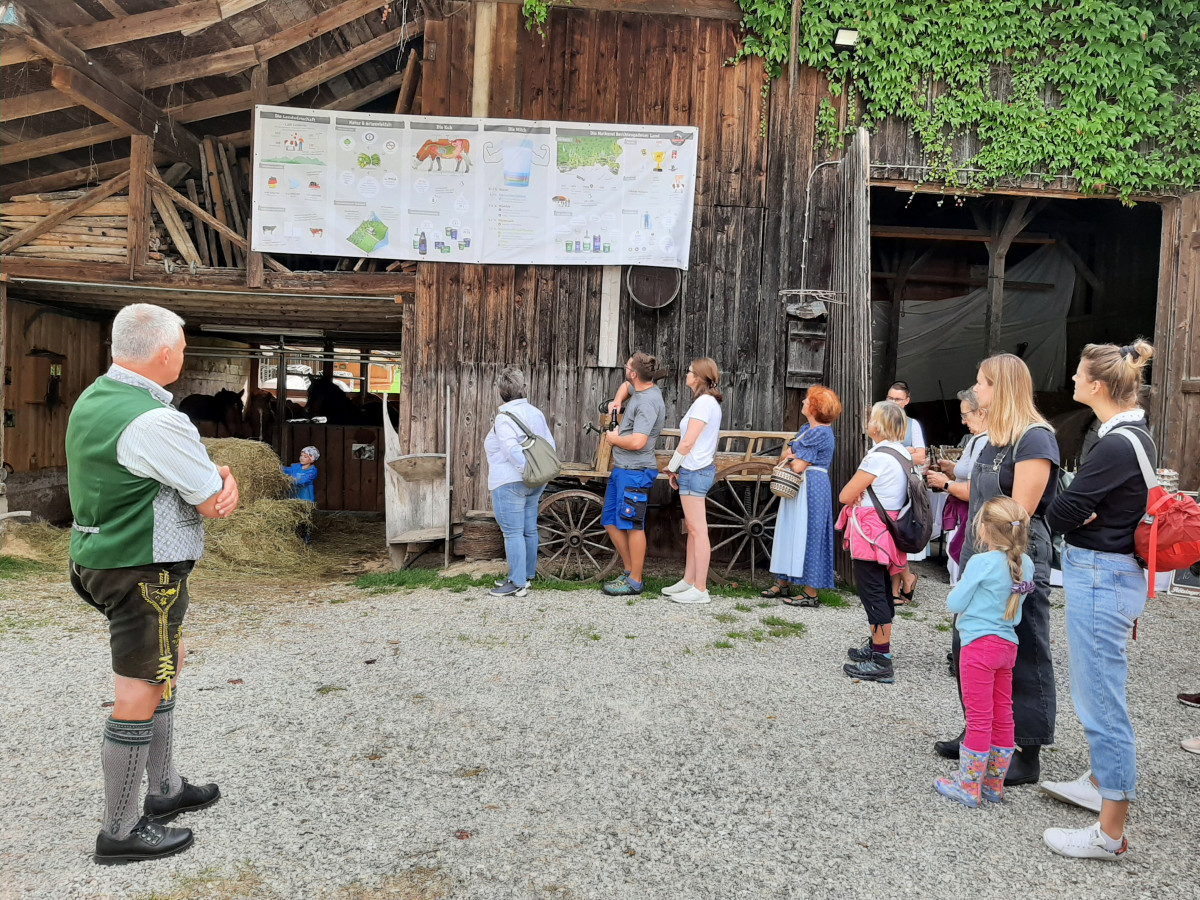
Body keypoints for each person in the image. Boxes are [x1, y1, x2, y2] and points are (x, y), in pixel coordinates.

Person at [66, 303, 239, 864]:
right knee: (139, 690)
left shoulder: (94, 399)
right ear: (164, 352)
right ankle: (119, 829)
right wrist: (224, 480)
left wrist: (207, 480)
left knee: (170, 660)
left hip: (98, 556)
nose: (184, 356)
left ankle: (164, 790)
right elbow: (213, 500)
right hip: (145, 570)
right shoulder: (157, 420)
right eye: (184, 348)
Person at [1039, 340, 1157, 860]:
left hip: (1100, 575)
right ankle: (1098, 781)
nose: (1072, 382)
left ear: (1099, 386)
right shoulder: (1136, 436)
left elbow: (1061, 512)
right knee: (1101, 689)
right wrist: (1077, 506)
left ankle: (1110, 832)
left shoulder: (1111, 445)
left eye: (1078, 375)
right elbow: (1075, 507)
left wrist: (1074, 507)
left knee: (1101, 700)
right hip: (1114, 572)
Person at [934, 354, 1059, 788]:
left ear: (1001, 388)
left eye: (981, 383)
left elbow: (1018, 514)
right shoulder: (994, 439)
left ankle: (1025, 748)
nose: (976, 390)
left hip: (1013, 560)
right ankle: (979, 732)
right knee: (970, 642)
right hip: (981, 554)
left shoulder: (1035, 439)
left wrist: (1000, 570)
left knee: (1020, 647)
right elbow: (978, 493)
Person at [933, 496, 1034, 808]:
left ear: (985, 530)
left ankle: (967, 786)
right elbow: (1019, 606)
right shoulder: (1026, 565)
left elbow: (955, 604)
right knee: (1003, 715)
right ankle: (993, 784)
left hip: (978, 647)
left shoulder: (981, 563)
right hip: (1007, 646)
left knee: (978, 718)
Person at [834, 400, 911, 684]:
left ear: (877, 426)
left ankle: (881, 659)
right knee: (880, 588)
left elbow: (845, 494)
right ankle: (878, 647)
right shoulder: (901, 453)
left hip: (870, 532)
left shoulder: (877, 457)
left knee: (872, 592)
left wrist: (856, 494)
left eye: (871, 418)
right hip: (889, 530)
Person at [761, 385, 842, 606]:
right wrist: (791, 455)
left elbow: (796, 465)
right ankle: (783, 582)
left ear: (816, 408)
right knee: (790, 529)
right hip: (800, 485)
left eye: (808, 400)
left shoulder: (820, 432)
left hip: (811, 485)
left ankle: (811, 593)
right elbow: (789, 456)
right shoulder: (807, 428)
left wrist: (791, 455)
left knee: (811, 533)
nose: (804, 402)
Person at [484, 368, 556, 598]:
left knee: (512, 532)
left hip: (511, 482)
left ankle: (516, 583)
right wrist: (534, 473)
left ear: (500, 391)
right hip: (536, 481)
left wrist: (524, 471)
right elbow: (549, 445)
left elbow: (511, 450)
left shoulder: (504, 418)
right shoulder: (535, 413)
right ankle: (526, 575)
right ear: (523, 389)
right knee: (528, 529)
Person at [601, 351, 666, 596]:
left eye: (628, 367)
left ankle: (636, 581)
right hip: (623, 468)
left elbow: (639, 441)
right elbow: (626, 387)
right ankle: (629, 571)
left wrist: (615, 439)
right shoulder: (640, 388)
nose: (626, 370)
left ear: (634, 372)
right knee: (610, 521)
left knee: (633, 525)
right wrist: (618, 400)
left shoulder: (648, 402)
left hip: (636, 470)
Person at [662, 358, 723, 605]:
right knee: (693, 530)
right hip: (693, 470)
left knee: (698, 531)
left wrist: (672, 466)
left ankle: (700, 589)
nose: (686, 374)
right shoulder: (705, 403)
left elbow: (688, 442)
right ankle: (688, 581)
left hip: (695, 470)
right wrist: (678, 469)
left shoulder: (704, 403)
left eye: (689, 371)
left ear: (697, 377)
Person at [925, 388, 989, 585]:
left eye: (965, 415)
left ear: (980, 412)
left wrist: (944, 483)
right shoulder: (976, 439)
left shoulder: (984, 441)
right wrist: (952, 468)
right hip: (965, 515)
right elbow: (967, 473)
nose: (962, 421)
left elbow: (973, 490)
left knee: (964, 571)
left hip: (969, 514)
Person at [885, 381, 925, 603]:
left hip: (904, 487)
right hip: (885, 485)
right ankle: (905, 580)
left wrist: (897, 450)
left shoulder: (913, 425)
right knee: (890, 534)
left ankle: (900, 584)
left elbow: (921, 456)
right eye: (890, 398)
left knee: (897, 534)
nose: (893, 402)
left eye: (897, 399)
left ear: (907, 401)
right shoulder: (880, 421)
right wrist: (907, 450)